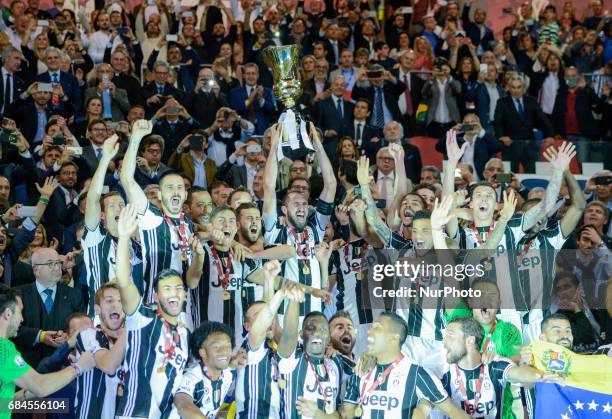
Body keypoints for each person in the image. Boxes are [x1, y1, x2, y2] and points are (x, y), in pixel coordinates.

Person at [114, 204, 189, 418]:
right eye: (166, 289)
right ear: (156, 296)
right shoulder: (142, 317)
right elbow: (123, 280)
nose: (174, 293)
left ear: (184, 295)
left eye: (178, 288)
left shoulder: (185, 334)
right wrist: (124, 237)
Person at [120, 119, 204, 305]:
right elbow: (126, 179)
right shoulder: (151, 217)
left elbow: (191, 279)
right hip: (154, 307)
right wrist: (135, 138)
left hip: (186, 309)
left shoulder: (187, 224)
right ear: (159, 193)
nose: (175, 191)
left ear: (185, 194)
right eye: (169, 187)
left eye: (179, 188)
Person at [263, 123, 336, 321]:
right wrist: (274, 147)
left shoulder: (316, 230)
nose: (302, 206)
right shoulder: (274, 230)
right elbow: (269, 188)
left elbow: (330, 185)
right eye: (295, 203)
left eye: (304, 203)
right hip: (282, 316)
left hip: (314, 316)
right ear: (284, 209)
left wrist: (317, 144)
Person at [341, 312, 469, 418]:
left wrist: (423, 409)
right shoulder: (362, 369)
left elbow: (454, 412)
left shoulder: (417, 373)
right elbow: (347, 414)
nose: (369, 331)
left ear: (394, 337)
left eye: (377, 327)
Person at [0, 284, 95, 418]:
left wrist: (34, 396)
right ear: (8, 314)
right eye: (20, 312)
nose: (22, 319)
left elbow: (4, 403)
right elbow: (40, 385)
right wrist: (78, 367)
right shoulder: (3, 349)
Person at [440, 317, 561, 418]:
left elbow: (517, 373)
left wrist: (540, 375)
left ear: (470, 340)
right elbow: (425, 404)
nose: (444, 340)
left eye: (450, 335)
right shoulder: (443, 372)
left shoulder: (494, 364)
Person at [74, 283, 127, 419]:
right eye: (109, 300)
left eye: (121, 301)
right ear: (97, 309)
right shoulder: (88, 334)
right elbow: (108, 366)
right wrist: (130, 329)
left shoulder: (134, 339)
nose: (116, 305)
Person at [171, 321, 237, 419]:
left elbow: (226, 403)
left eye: (228, 346)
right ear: (202, 352)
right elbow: (183, 404)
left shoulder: (229, 374)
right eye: (216, 347)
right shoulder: (191, 377)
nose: (225, 351)